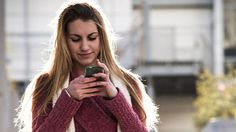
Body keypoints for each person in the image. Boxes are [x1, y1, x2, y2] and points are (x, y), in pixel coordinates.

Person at [15, 0, 159, 132]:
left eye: (92, 38)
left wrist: (115, 98)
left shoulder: (128, 83)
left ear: (102, 38)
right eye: (75, 39)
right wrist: (68, 99)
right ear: (64, 41)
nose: (85, 46)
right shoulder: (47, 84)